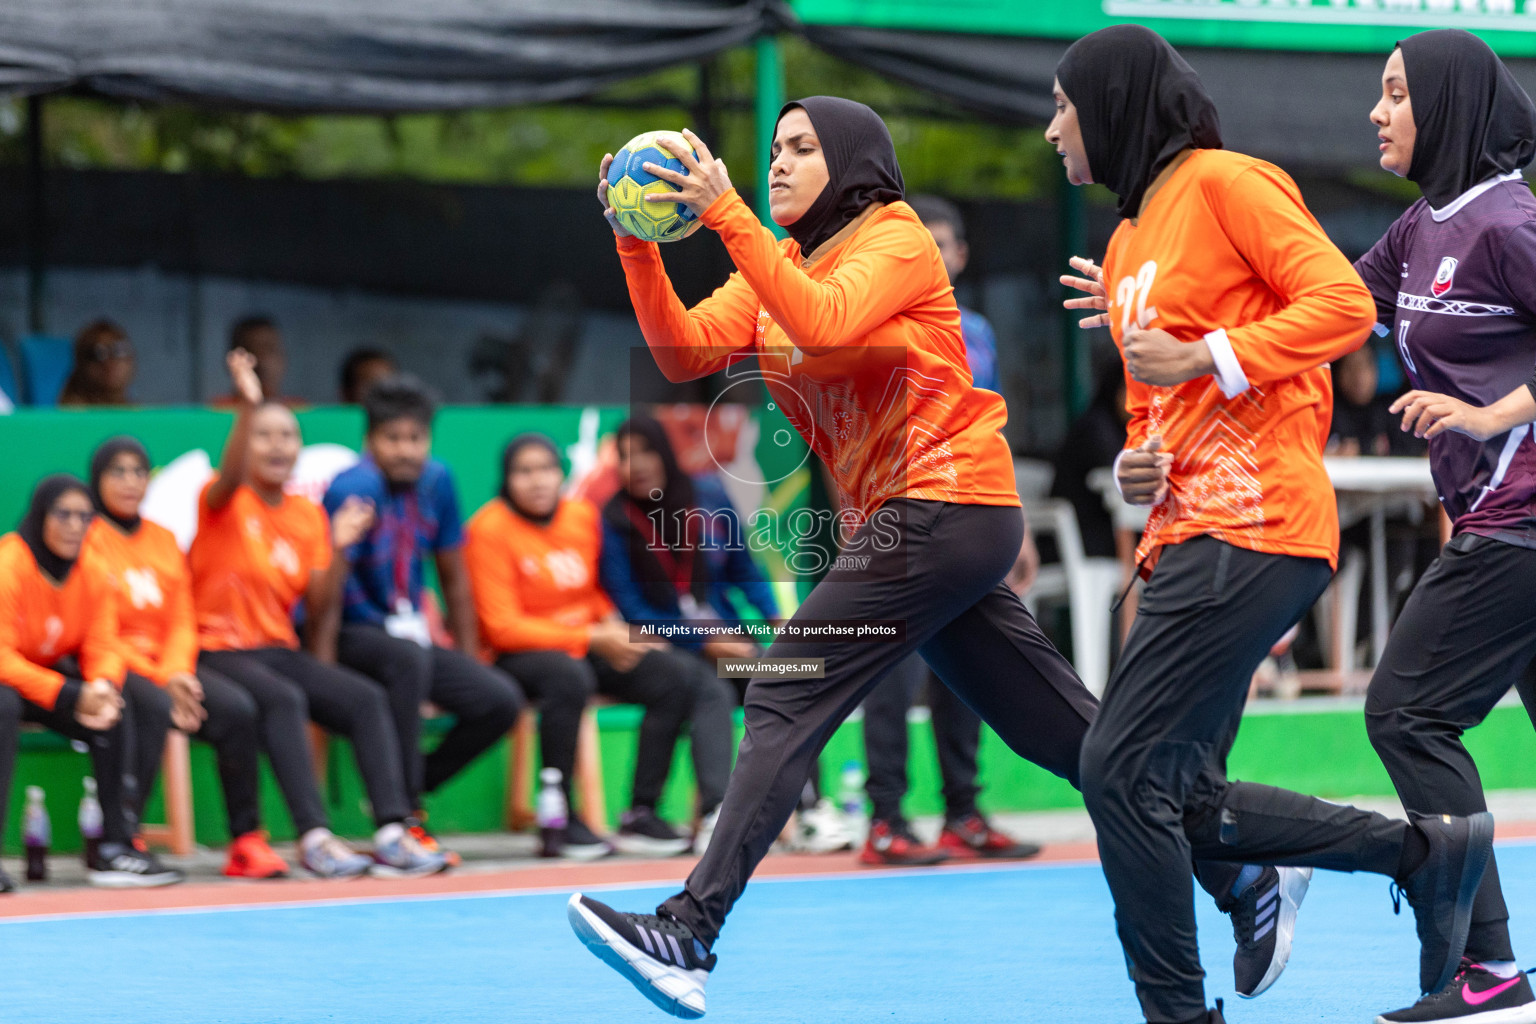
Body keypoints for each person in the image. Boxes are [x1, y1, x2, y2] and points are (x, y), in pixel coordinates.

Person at [1053, 25, 1494, 1024]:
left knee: (1118, 772)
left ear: (1113, 104)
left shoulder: (1228, 182)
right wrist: (1137, 461)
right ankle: (1423, 852)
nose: (1050, 130)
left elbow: (1341, 306)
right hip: (1185, 534)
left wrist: (1208, 352)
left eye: (1063, 107)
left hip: (1255, 526)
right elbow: (1155, 404)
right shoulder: (1126, 240)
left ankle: (1180, 1013)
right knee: (1174, 788)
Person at [1352, 30, 1536, 1024]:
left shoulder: (1508, 224)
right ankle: (1494, 972)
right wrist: (1210, 341)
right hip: (1500, 519)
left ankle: (1490, 969)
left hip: (1522, 520)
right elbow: (1337, 309)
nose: (1375, 113)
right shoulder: (1424, 225)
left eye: (1394, 93)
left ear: (1449, 106)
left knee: (1409, 712)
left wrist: (1486, 414)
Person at [190, 348, 447, 878]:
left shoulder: (306, 516)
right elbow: (231, 470)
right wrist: (249, 406)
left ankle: (394, 831)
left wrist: (338, 547)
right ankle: (314, 837)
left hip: (275, 646)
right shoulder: (223, 501)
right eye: (265, 434)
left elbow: (321, 601)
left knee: (365, 699)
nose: (277, 444)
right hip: (216, 648)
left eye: (287, 436)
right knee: (283, 699)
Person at [858, 195, 1039, 866]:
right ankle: (885, 820)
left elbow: (989, 428)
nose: (933, 254)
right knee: (891, 672)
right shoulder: (872, 322)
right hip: (893, 520)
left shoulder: (979, 332)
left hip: (967, 523)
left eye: (944, 243)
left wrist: (1014, 526)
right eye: (919, 243)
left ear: (960, 255)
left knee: (968, 671)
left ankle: (962, 813)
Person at [466, 434, 732, 858]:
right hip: (522, 654)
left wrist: (611, 624)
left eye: (546, 469)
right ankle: (560, 817)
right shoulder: (488, 528)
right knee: (568, 677)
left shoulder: (580, 516)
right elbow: (501, 627)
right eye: (524, 471)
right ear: (507, 479)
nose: (536, 481)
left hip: (595, 641)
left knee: (679, 676)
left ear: (561, 474)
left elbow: (590, 591)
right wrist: (594, 635)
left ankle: (642, 812)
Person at [316, 375, 520, 858]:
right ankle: (403, 816)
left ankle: (411, 784)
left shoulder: (438, 481)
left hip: (407, 639)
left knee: (499, 699)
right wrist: (320, 676)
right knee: (408, 659)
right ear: (370, 441)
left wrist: (469, 660)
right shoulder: (354, 486)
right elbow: (324, 594)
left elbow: (453, 578)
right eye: (393, 439)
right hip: (350, 631)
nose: (406, 450)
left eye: (416, 439)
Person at [82, 437, 288, 879]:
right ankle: (125, 836)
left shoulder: (163, 539)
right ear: (97, 480)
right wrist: (161, 678)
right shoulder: (88, 540)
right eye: (118, 471)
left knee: (236, 709)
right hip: (114, 664)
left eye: (139, 472)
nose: (130, 482)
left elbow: (181, 620)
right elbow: (96, 631)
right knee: (149, 704)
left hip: (167, 666)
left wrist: (177, 673)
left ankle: (246, 840)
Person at [0, 476, 182, 888]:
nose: (74, 525)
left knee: (118, 706)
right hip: (9, 677)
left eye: (84, 516)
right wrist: (70, 693)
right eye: (62, 514)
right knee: (3, 705)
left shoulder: (93, 570)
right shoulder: (10, 563)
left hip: (43, 676)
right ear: (40, 516)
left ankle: (116, 849)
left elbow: (103, 645)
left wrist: (100, 688)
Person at [597, 415, 762, 852]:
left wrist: (776, 618)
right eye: (625, 457)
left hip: (728, 634)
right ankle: (715, 815)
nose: (637, 465)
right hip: (670, 644)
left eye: (646, 452)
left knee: (784, 675)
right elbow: (633, 612)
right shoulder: (614, 521)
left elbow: (746, 568)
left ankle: (809, 807)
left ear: (665, 454)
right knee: (708, 688)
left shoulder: (708, 496)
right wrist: (705, 642)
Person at [216, 316, 291, 406]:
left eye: (269, 349)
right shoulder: (216, 411)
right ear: (230, 360)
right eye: (250, 350)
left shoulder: (300, 411)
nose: (260, 359)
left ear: (283, 358)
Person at [59, 319, 135, 407]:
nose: (110, 363)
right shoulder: (73, 414)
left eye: (120, 350)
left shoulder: (134, 412)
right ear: (81, 365)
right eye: (98, 353)